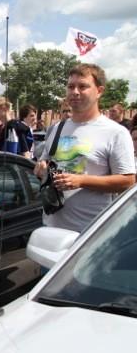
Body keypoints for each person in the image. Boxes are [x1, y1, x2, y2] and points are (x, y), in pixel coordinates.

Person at [34, 63, 135, 232]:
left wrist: (81, 181)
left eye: (82, 86)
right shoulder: (57, 128)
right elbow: (45, 162)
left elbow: (128, 181)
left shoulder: (116, 132)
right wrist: (41, 169)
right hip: (51, 226)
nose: (75, 92)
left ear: (99, 91)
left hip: (90, 233)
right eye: (70, 86)